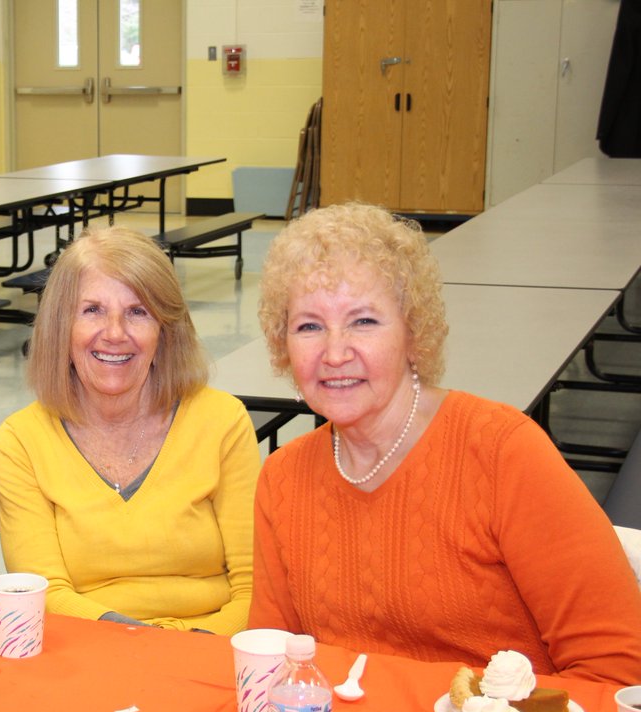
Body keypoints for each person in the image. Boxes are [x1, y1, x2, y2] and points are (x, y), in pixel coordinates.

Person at [250, 202, 641, 684]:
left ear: (414, 334)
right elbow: (271, 664)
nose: (334, 352)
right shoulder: (283, 478)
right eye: (309, 326)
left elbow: (618, 668)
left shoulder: (502, 453)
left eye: (364, 321)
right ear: (282, 345)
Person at [0, 226, 260, 634]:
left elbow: (256, 586)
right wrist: (142, 645)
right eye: (92, 310)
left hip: (213, 649)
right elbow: (42, 591)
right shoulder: (22, 441)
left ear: (166, 330)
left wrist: (191, 649)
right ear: (60, 327)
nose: (115, 333)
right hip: (88, 651)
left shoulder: (222, 422)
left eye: (138, 312)